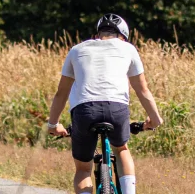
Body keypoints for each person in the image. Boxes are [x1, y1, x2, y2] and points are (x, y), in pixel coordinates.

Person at [46, 13, 165, 194]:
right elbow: (142, 90)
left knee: (83, 169)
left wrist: (53, 124)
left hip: (84, 111)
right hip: (116, 109)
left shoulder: (77, 50)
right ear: (123, 37)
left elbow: (61, 93)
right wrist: (155, 119)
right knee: (121, 148)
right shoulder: (128, 49)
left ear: (97, 34)